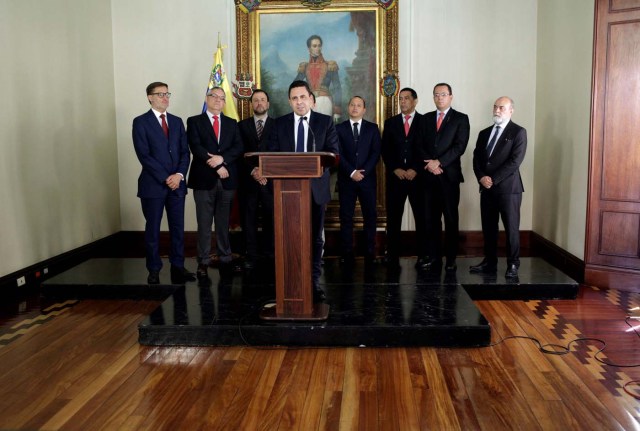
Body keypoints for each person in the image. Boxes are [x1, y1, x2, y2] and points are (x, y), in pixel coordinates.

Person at [266, 80, 339, 301]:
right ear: (289, 101)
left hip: (315, 190)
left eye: (303, 97)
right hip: (287, 193)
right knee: (288, 237)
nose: (299, 102)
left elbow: (333, 154)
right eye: (295, 98)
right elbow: (271, 155)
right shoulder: (279, 124)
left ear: (311, 100)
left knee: (315, 238)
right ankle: (289, 282)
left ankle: (313, 281)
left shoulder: (324, 123)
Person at [132, 82, 195, 285]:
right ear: (150, 97)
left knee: (178, 228)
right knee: (153, 229)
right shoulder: (140, 122)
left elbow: (185, 152)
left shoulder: (177, 122)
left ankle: (178, 267)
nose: (165, 97)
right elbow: (144, 155)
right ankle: (154, 269)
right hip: (153, 186)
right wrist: (166, 178)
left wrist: (178, 175)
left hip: (177, 185)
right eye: (160, 94)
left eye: (167, 93)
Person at [186, 86, 243, 281]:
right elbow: (196, 146)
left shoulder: (231, 123)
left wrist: (222, 160)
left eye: (222, 98)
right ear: (207, 99)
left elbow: (238, 147)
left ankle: (225, 258)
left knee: (223, 222)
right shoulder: (195, 121)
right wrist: (217, 166)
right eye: (214, 96)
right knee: (203, 223)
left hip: (227, 181)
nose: (218, 100)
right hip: (203, 179)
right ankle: (203, 261)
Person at [415, 83, 470, 272]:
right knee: (430, 220)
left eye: (443, 94)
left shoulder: (461, 119)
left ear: (451, 97)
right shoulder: (425, 119)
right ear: (433, 97)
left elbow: (459, 146)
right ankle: (435, 257)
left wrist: (439, 162)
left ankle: (451, 259)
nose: (440, 98)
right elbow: (418, 145)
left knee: (450, 218)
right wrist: (430, 164)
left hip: (449, 177)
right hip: (428, 177)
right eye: (436, 95)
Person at [470, 96, 527, 279]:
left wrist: (492, 179)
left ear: (511, 110)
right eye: (495, 107)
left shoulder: (518, 132)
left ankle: (512, 264)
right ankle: (489, 262)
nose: (497, 110)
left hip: (508, 190)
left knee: (511, 229)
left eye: (501, 107)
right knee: (488, 228)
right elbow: (476, 159)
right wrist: (481, 178)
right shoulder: (484, 133)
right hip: (486, 189)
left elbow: (514, 162)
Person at [381, 87, 426, 269]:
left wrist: (416, 169)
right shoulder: (391, 123)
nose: (403, 102)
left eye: (407, 98)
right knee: (394, 218)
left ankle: (423, 255)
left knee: (421, 218)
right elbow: (385, 150)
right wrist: (395, 168)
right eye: (401, 99)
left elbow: (427, 149)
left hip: (417, 178)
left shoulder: (425, 122)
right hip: (396, 178)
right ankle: (392, 256)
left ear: (415, 101)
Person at [336, 96, 381, 266]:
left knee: (370, 216)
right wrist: (352, 172)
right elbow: (337, 153)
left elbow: (376, 153)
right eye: (352, 105)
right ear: (348, 108)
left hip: (367, 180)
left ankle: (370, 252)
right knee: (346, 217)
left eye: (359, 105)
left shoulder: (372, 129)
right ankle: (347, 253)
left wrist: (363, 172)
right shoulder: (339, 128)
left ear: (364, 109)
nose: (355, 108)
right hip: (346, 180)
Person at [238, 89, 275, 270]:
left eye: (262, 100)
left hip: (271, 182)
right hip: (249, 181)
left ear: (268, 104)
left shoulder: (278, 126)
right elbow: (238, 153)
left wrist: (265, 171)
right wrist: (253, 170)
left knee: (271, 218)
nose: (259, 103)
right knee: (248, 219)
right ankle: (251, 255)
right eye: (256, 100)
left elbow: (281, 152)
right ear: (251, 104)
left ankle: (270, 254)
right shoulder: (241, 126)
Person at [295, 35, 342, 122]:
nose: (318, 48)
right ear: (309, 48)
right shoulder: (304, 66)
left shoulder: (330, 65)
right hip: (308, 102)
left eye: (319, 45)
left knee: (323, 131)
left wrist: (337, 109)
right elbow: (295, 85)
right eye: (314, 46)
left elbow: (337, 88)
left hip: (325, 102)